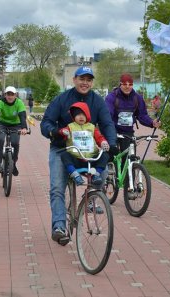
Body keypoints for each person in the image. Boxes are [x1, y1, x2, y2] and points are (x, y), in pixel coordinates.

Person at [40, 66, 117, 246]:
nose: (85, 83)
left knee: (103, 171)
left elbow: (107, 124)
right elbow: (46, 122)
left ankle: (92, 198)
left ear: (92, 82)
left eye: (89, 79)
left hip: (87, 151)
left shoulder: (98, 102)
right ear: (74, 79)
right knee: (57, 188)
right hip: (62, 150)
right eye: (82, 79)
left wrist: (111, 144)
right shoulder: (62, 99)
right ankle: (59, 227)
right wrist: (56, 132)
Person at [105, 73, 161, 156]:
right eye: (125, 84)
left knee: (130, 157)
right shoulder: (111, 97)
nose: (127, 87)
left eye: (130, 84)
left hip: (128, 132)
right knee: (112, 155)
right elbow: (107, 115)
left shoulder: (137, 98)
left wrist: (152, 122)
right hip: (113, 130)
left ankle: (131, 168)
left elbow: (142, 116)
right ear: (120, 84)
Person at [58, 102, 110, 187]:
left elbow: (99, 138)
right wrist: (63, 132)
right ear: (74, 117)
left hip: (91, 159)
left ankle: (96, 175)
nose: (81, 117)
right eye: (78, 115)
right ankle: (75, 175)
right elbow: (62, 132)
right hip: (77, 158)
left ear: (87, 115)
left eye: (83, 114)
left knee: (105, 155)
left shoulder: (92, 127)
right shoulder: (70, 126)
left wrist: (103, 142)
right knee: (64, 155)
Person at [0, 86, 28, 176]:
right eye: (8, 94)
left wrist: (24, 128)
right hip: (1, 124)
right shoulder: (1, 102)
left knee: (15, 143)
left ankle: (13, 165)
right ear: (5, 95)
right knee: (0, 140)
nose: (10, 97)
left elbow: (22, 116)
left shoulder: (19, 103)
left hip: (15, 125)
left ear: (15, 95)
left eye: (12, 94)